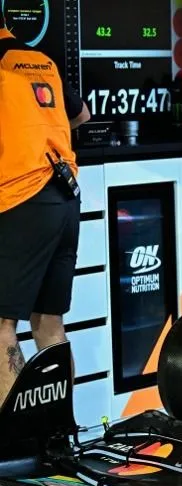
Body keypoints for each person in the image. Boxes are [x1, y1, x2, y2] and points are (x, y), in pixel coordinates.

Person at [0, 15, 91, 406]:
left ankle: (13, 436)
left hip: (21, 196)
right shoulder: (38, 59)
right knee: (49, 324)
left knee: (1, 326)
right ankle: (59, 428)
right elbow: (81, 114)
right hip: (64, 194)